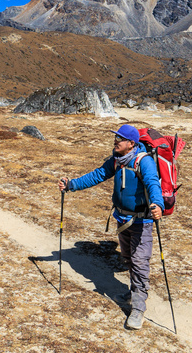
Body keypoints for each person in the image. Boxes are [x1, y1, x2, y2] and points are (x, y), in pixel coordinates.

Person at [59, 124, 164, 330]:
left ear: (131, 144)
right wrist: (71, 185)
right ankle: (133, 292)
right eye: (116, 137)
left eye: (120, 139)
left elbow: (153, 183)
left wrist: (158, 204)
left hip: (142, 222)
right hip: (122, 220)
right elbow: (96, 175)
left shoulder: (144, 162)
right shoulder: (116, 161)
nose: (116, 141)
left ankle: (138, 309)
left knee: (140, 262)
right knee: (128, 259)